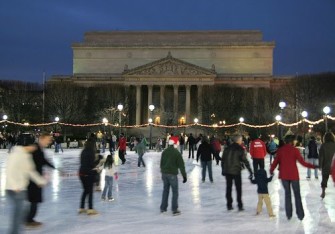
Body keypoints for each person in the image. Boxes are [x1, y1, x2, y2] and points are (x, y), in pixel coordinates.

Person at [6, 135, 47, 234]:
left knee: (21, 212)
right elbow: (9, 170)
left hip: (21, 188)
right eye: (32, 145)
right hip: (14, 189)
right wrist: (14, 185)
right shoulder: (17, 154)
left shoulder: (26, 155)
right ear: (26, 144)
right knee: (18, 214)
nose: (34, 147)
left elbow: (30, 171)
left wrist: (40, 181)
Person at [270, 134, 316, 220]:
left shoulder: (280, 150)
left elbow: (275, 162)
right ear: (292, 141)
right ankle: (300, 214)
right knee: (297, 194)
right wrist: (313, 166)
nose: (295, 142)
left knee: (287, 194)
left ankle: (289, 214)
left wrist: (271, 170)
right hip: (294, 175)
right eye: (294, 140)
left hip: (284, 175)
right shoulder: (295, 150)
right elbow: (302, 162)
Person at [26, 133, 56, 227]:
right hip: (33, 179)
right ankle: (29, 220)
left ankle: (28, 218)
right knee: (34, 200)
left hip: (36, 178)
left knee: (34, 200)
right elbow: (29, 163)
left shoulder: (39, 148)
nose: (49, 141)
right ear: (42, 139)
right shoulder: (35, 148)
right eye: (48, 139)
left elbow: (43, 161)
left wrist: (54, 167)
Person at [221, 134, 253, 211]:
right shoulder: (240, 149)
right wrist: (250, 171)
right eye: (241, 139)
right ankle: (240, 205)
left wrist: (223, 170)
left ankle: (229, 204)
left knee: (228, 188)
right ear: (238, 140)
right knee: (238, 189)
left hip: (228, 171)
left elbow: (223, 160)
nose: (241, 141)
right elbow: (245, 161)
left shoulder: (227, 149)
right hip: (236, 171)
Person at [160, 139, 187, 216]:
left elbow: (161, 163)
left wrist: (162, 170)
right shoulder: (177, 153)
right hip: (172, 174)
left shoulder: (164, 152)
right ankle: (174, 209)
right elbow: (181, 165)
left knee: (165, 191)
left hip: (164, 174)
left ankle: (163, 208)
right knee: (175, 192)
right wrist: (184, 176)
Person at [78, 139, 99, 215]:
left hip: (81, 172)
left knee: (85, 191)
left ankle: (81, 208)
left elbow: (83, 162)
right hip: (88, 173)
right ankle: (90, 209)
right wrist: (99, 162)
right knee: (89, 192)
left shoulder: (83, 152)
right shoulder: (91, 152)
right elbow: (91, 164)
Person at [318, 132, 335, 198]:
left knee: (324, 179)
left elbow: (321, 156)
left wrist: (320, 165)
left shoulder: (323, 145)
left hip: (326, 166)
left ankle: (323, 192)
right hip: (334, 166)